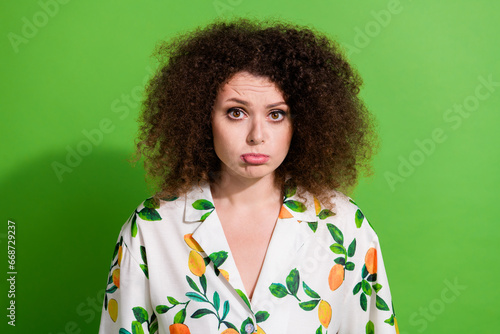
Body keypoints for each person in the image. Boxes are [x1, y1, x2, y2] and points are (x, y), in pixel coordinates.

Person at [99, 18, 399, 334]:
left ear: (301, 123)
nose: (257, 135)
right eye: (236, 112)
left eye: (276, 114)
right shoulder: (152, 229)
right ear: (204, 118)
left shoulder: (344, 228)